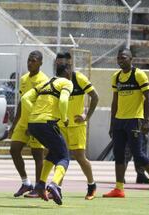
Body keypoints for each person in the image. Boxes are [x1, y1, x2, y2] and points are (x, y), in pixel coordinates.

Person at [103, 48, 149, 198]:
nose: (120, 61)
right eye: (118, 58)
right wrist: (112, 123)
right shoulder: (116, 77)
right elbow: (115, 101)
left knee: (138, 154)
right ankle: (119, 188)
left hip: (134, 120)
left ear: (131, 59)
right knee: (119, 154)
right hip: (119, 121)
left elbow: (148, 97)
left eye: (123, 58)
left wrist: (146, 120)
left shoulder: (138, 74)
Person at [22, 63, 73, 205]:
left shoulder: (45, 83)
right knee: (64, 156)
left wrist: (35, 114)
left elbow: (25, 98)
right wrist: (64, 118)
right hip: (48, 123)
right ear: (68, 72)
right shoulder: (67, 82)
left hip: (33, 124)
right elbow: (63, 100)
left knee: (53, 152)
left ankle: (40, 184)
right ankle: (54, 184)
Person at [55, 52, 99, 200]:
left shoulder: (78, 78)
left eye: (63, 60)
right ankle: (56, 188)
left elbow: (95, 96)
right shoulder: (56, 80)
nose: (60, 63)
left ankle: (92, 185)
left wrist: (87, 116)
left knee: (80, 157)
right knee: (60, 156)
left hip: (77, 125)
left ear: (69, 62)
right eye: (59, 60)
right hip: (61, 124)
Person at [8, 51, 49, 198]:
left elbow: (42, 104)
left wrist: (34, 126)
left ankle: (39, 188)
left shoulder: (44, 80)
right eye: (29, 60)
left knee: (37, 155)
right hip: (23, 121)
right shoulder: (24, 79)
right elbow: (21, 101)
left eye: (33, 61)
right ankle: (26, 183)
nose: (30, 63)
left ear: (40, 63)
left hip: (37, 121)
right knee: (14, 149)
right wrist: (14, 124)